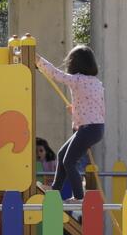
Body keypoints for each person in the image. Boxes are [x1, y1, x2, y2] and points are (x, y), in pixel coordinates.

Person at [37, 45, 105, 200]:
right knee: (62, 155)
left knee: (69, 161)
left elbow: (55, 74)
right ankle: (55, 189)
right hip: (96, 128)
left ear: (75, 64)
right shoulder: (96, 83)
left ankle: (79, 197)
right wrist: (75, 110)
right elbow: (96, 107)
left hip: (88, 128)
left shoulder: (78, 80)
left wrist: (38, 60)